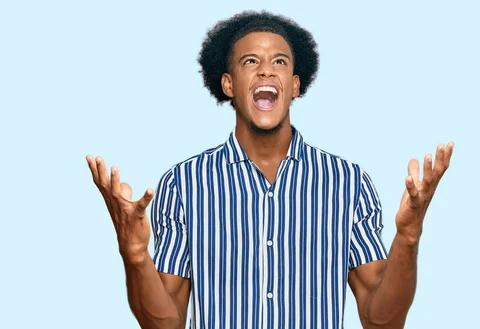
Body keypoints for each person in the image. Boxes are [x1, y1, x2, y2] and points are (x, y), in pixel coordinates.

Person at [86, 10, 454, 329]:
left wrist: (407, 237)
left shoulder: (348, 183)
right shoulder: (185, 184)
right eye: (250, 62)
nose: (266, 70)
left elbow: (381, 321)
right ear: (228, 84)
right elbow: (164, 323)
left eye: (279, 62)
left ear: (295, 85)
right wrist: (134, 256)